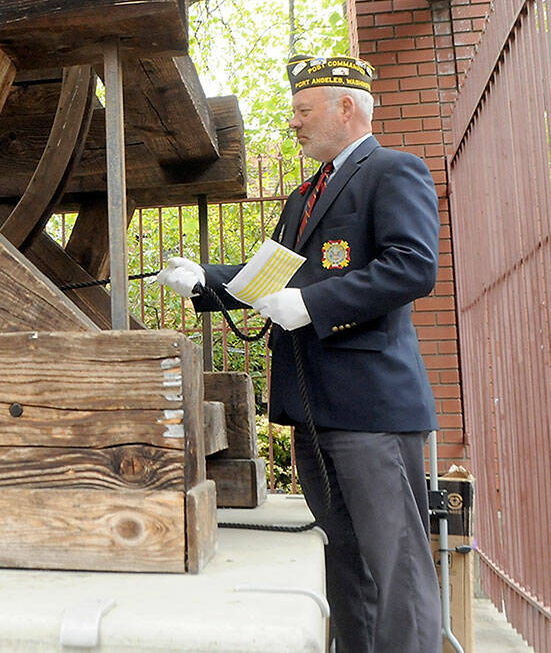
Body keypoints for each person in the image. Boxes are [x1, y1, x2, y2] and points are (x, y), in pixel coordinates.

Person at [158, 53, 442, 653]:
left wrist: (314, 304)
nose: (293, 122)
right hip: (313, 409)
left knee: (396, 565)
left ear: (347, 108)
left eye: (303, 110)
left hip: (370, 410)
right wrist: (205, 280)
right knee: (344, 559)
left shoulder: (393, 170)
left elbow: (412, 267)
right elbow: (273, 277)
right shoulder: (304, 196)